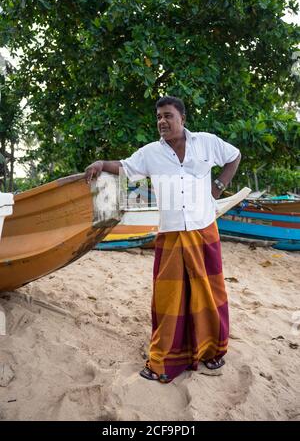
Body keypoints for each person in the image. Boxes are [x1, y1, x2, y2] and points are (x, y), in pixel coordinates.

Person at [85, 96, 241, 383]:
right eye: (158, 116)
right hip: (170, 233)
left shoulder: (207, 142)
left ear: (182, 118)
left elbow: (234, 156)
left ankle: (213, 351)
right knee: (169, 297)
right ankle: (165, 358)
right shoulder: (149, 153)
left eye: (167, 115)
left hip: (204, 228)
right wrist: (101, 163)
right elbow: (125, 167)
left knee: (210, 292)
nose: (161, 121)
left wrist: (218, 188)